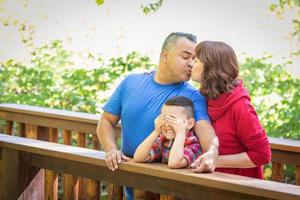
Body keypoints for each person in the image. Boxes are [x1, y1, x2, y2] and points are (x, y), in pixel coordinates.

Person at [97, 32, 219, 199]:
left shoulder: (194, 96)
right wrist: (111, 150)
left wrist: (213, 151)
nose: (191, 63)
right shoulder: (130, 82)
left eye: (194, 59)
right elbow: (106, 120)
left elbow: (204, 129)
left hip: (169, 191)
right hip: (130, 184)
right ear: (165, 56)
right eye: (185, 56)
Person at [190, 41, 271, 179]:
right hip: (209, 185)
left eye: (196, 60)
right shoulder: (203, 99)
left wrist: (214, 160)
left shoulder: (241, 107)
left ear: (210, 66)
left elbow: (263, 154)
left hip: (238, 189)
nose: (191, 64)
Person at [134, 96, 202, 168]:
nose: (167, 124)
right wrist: (156, 131)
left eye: (173, 119)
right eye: (164, 118)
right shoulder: (164, 140)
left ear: (190, 124)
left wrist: (180, 133)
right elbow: (138, 157)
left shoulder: (194, 144)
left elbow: (174, 163)